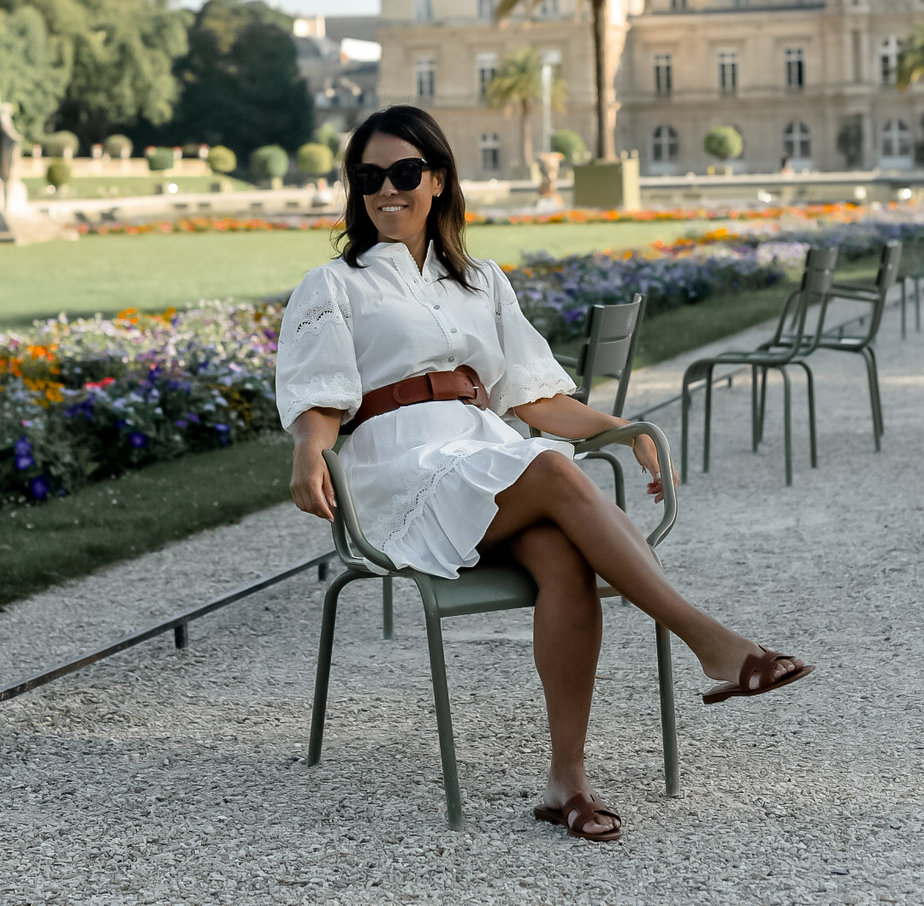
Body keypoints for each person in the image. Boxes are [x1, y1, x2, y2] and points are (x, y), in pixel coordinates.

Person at [277, 105, 812, 843]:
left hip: (480, 454)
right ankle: (709, 641)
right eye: (369, 177)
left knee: (563, 554)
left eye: (404, 174)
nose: (386, 191)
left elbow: (532, 397)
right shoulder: (333, 285)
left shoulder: (481, 281)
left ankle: (568, 782)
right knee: (556, 477)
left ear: (436, 180)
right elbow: (319, 396)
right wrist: (308, 448)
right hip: (398, 468)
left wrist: (618, 430)